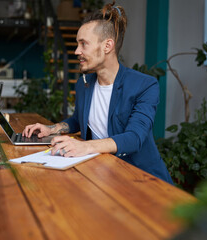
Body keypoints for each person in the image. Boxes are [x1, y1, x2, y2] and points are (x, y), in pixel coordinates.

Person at [22, 1, 173, 184]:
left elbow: (134, 138)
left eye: (83, 44)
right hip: (103, 174)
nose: (77, 51)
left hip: (142, 180)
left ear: (107, 46)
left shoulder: (145, 86)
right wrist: (52, 129)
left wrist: (85, 147)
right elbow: (78, 119)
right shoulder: (83, 84)